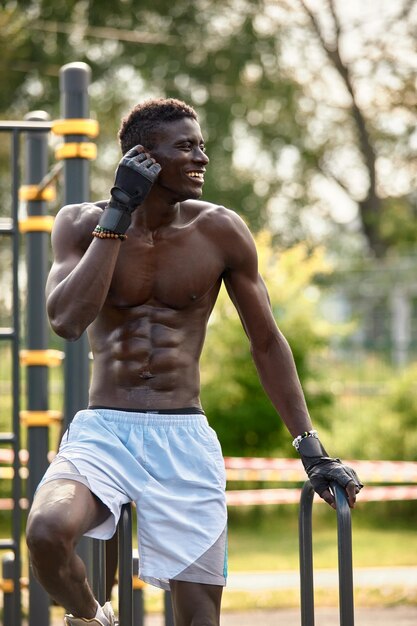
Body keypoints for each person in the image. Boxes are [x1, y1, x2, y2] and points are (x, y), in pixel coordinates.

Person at [26, 98, 362, 626]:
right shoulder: (80, 223)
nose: (201, 157)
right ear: (144, 156)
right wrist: (117, 213)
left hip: (184, 436)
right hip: (103, 433)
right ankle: (92, 618)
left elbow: (268, 343)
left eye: (201, 145)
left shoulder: (220, 230)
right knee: (46, 532)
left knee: (199, 617)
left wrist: (310, 447)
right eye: (186, 147)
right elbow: (67, 321)